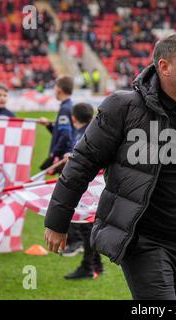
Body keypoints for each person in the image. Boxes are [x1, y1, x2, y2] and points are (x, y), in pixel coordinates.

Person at [44, 30, 176, 300]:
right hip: (144, 241)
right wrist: (57, 221)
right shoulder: (124, 107)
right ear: (164, 67)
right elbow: (82, 163)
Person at [38, 75, 83, 255]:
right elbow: (63, 131)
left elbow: (65, 135)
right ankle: (76, 240)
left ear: (58, 89)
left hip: (66, 159)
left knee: (64, 200)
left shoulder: (65, 109)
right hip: (69, 157)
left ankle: (75, 240)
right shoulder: (68, 107)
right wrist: (50, 126)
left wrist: (53, 155)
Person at [63, 102, 104, 280]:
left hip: (89, 185)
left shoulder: (86, 133)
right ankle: (96, 265)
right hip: (92, 184)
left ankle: (88, 267)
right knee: (88, 225)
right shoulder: (92, 129)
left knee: (87, 226)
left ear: (73, 118)